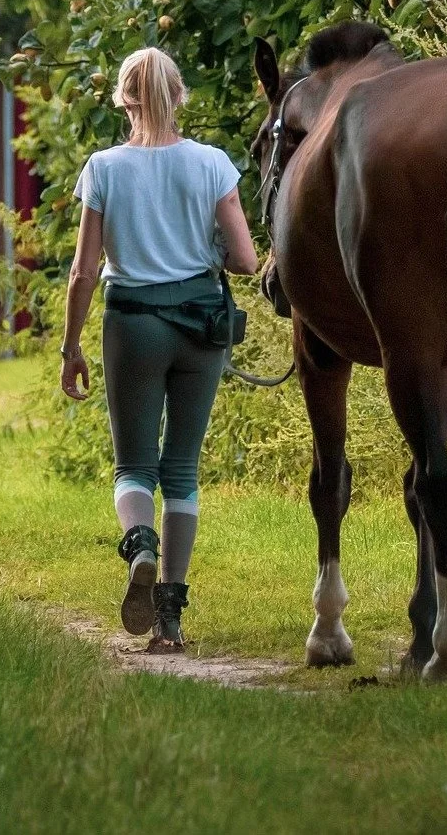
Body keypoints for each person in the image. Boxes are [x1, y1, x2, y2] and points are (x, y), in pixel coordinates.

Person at [59, 46, 259, 652]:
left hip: (132, 326)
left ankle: (139, 545)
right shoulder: (212, 164)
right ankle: (170, 619)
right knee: (182, 471)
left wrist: (71, 347)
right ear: (178, 97)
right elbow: (246, 260)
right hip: (200, 328)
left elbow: (83, 271)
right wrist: (206, 252)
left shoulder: (103, 169)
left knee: (134, 467)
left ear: (124, 100)